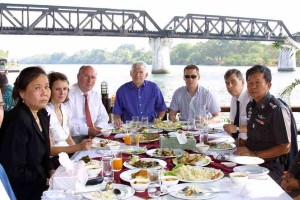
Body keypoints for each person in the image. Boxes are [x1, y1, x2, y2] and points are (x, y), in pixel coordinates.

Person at [0, 66, 55, 200]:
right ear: (22, 93)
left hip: (43, 183)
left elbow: (45, 153)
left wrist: (52, 171)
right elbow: (14, 170)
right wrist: (45, 181)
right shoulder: (17, 121)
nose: (45, 92)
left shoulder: (42, 113)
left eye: (46, 87)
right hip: (25, 191)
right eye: (37, 88)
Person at [234, 64, 291, 183]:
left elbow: (285, 147)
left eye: (258, 83)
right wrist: (243, 143)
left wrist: (254, 154)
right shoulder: (251, 105)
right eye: (250, 83)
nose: (253, 86)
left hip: (270, 167)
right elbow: (257, 133)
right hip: (250, 161)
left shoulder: (277, 110)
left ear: (268, 85)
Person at [46, 72, 92, 168]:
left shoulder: (64, 108)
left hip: (68, 155)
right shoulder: (46, 112)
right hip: (54, 160)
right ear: (49, 90)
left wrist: (78, 155)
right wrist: (78, 147)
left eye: (65, 89)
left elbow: (68, 138)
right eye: (57, 89)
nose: (62, 93)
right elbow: (50, 150)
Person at [112, 61, 167, 126]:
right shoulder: (122, 90)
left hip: (150, 127)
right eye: (135, 72)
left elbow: (162, 109)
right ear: (130, 73)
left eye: (141, 72)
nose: (137, 75)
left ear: (146, 75)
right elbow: (116, 113)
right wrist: (117, 119)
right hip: (129, 128)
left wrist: (159, 119)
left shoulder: (154, 88)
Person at [66, 65, 109, 143]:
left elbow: (103, 116)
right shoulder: (68, 95)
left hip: (94, 137)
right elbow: (65, 126)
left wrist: (99, 127)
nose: (89, 81)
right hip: (74, 139)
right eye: (86, 76)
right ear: (78, 76)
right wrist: (87, 130)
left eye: (93, 77)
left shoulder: (95, 95)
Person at [223, 69, 251, 140]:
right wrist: (229, 128)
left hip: (249, 143)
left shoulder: (251, 99)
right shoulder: (234, 99)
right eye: (227, 83)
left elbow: (257, 128)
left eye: (233, 82)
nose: (230, 86)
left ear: (242, 82)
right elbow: (233, 123)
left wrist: (236, 128)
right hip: (236, 141)